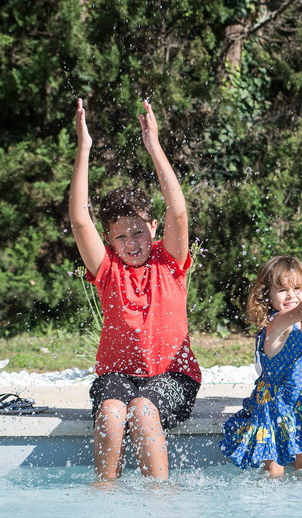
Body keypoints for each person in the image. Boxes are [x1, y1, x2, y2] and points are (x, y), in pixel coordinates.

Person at [69, 97, 202, 482]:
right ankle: (104, 495)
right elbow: (80, 220)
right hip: (118, 377)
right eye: (121, 235)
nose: (132, 241)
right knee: (112, 414)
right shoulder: (108, 269)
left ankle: (157, 500)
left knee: (144, 410)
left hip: (173, 377)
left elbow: (179, 211)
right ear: (110, 241)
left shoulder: (170, 262)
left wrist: (154, 147)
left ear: (154, 228)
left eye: (139, 230)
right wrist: (84, 149)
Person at [221, 256, 302, 477]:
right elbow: (298, 312)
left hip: (298, 404)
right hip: (273, 407)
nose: (291, 296)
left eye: (297, 288)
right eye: (282, 290)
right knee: (274, 468)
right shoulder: (277, 323)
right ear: (267, 296)